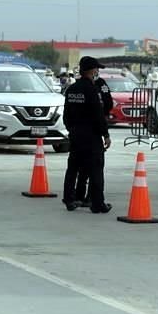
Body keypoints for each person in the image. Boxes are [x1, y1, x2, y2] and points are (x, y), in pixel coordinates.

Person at [62, 56, 112, 214]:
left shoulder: (71, 89)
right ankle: (97, 204)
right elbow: (98, 114)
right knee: (96, 169)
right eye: (96, 68)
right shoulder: (92, 90)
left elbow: (66, 115)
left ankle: (69, 200)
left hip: (76, 135)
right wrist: (105, 134)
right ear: (91, 70)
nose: (97, 71)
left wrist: (72, 130)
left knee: (73, 168)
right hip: (91, 136)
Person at [73, 72, 114, 206]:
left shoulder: (79, 86)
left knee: (83, 166)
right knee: (95, 166)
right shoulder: (97, 84)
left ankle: (80, 196)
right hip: (94, 130)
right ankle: (92, 198)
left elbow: (108, 101)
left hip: (80, 130)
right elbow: (108, 102)